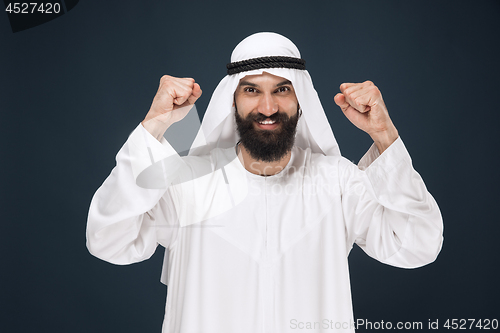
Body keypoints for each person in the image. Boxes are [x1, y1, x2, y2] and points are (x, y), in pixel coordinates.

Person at [86, 32, 443, 333]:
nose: (268, 106)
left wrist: (384, 135)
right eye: (252, 90)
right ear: (233, 102)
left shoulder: (337, 182)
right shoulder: (188, 184)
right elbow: (109, 240)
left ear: (300, 100)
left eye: (282, 89)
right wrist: (154, 125)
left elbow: (418, 245)